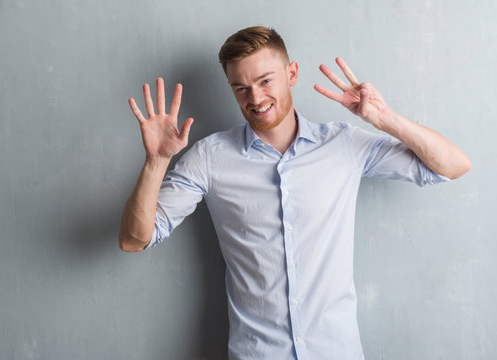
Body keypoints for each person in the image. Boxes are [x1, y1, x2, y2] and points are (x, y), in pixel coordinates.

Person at [118, 25, 471, 360]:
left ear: (292, 74)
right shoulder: (210, 158)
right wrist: (157, 161)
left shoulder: (343, 143)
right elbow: (135, 239)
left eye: (264, 80)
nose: (255, 98)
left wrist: (385, 119)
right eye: (240, 87)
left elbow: (453, 165)